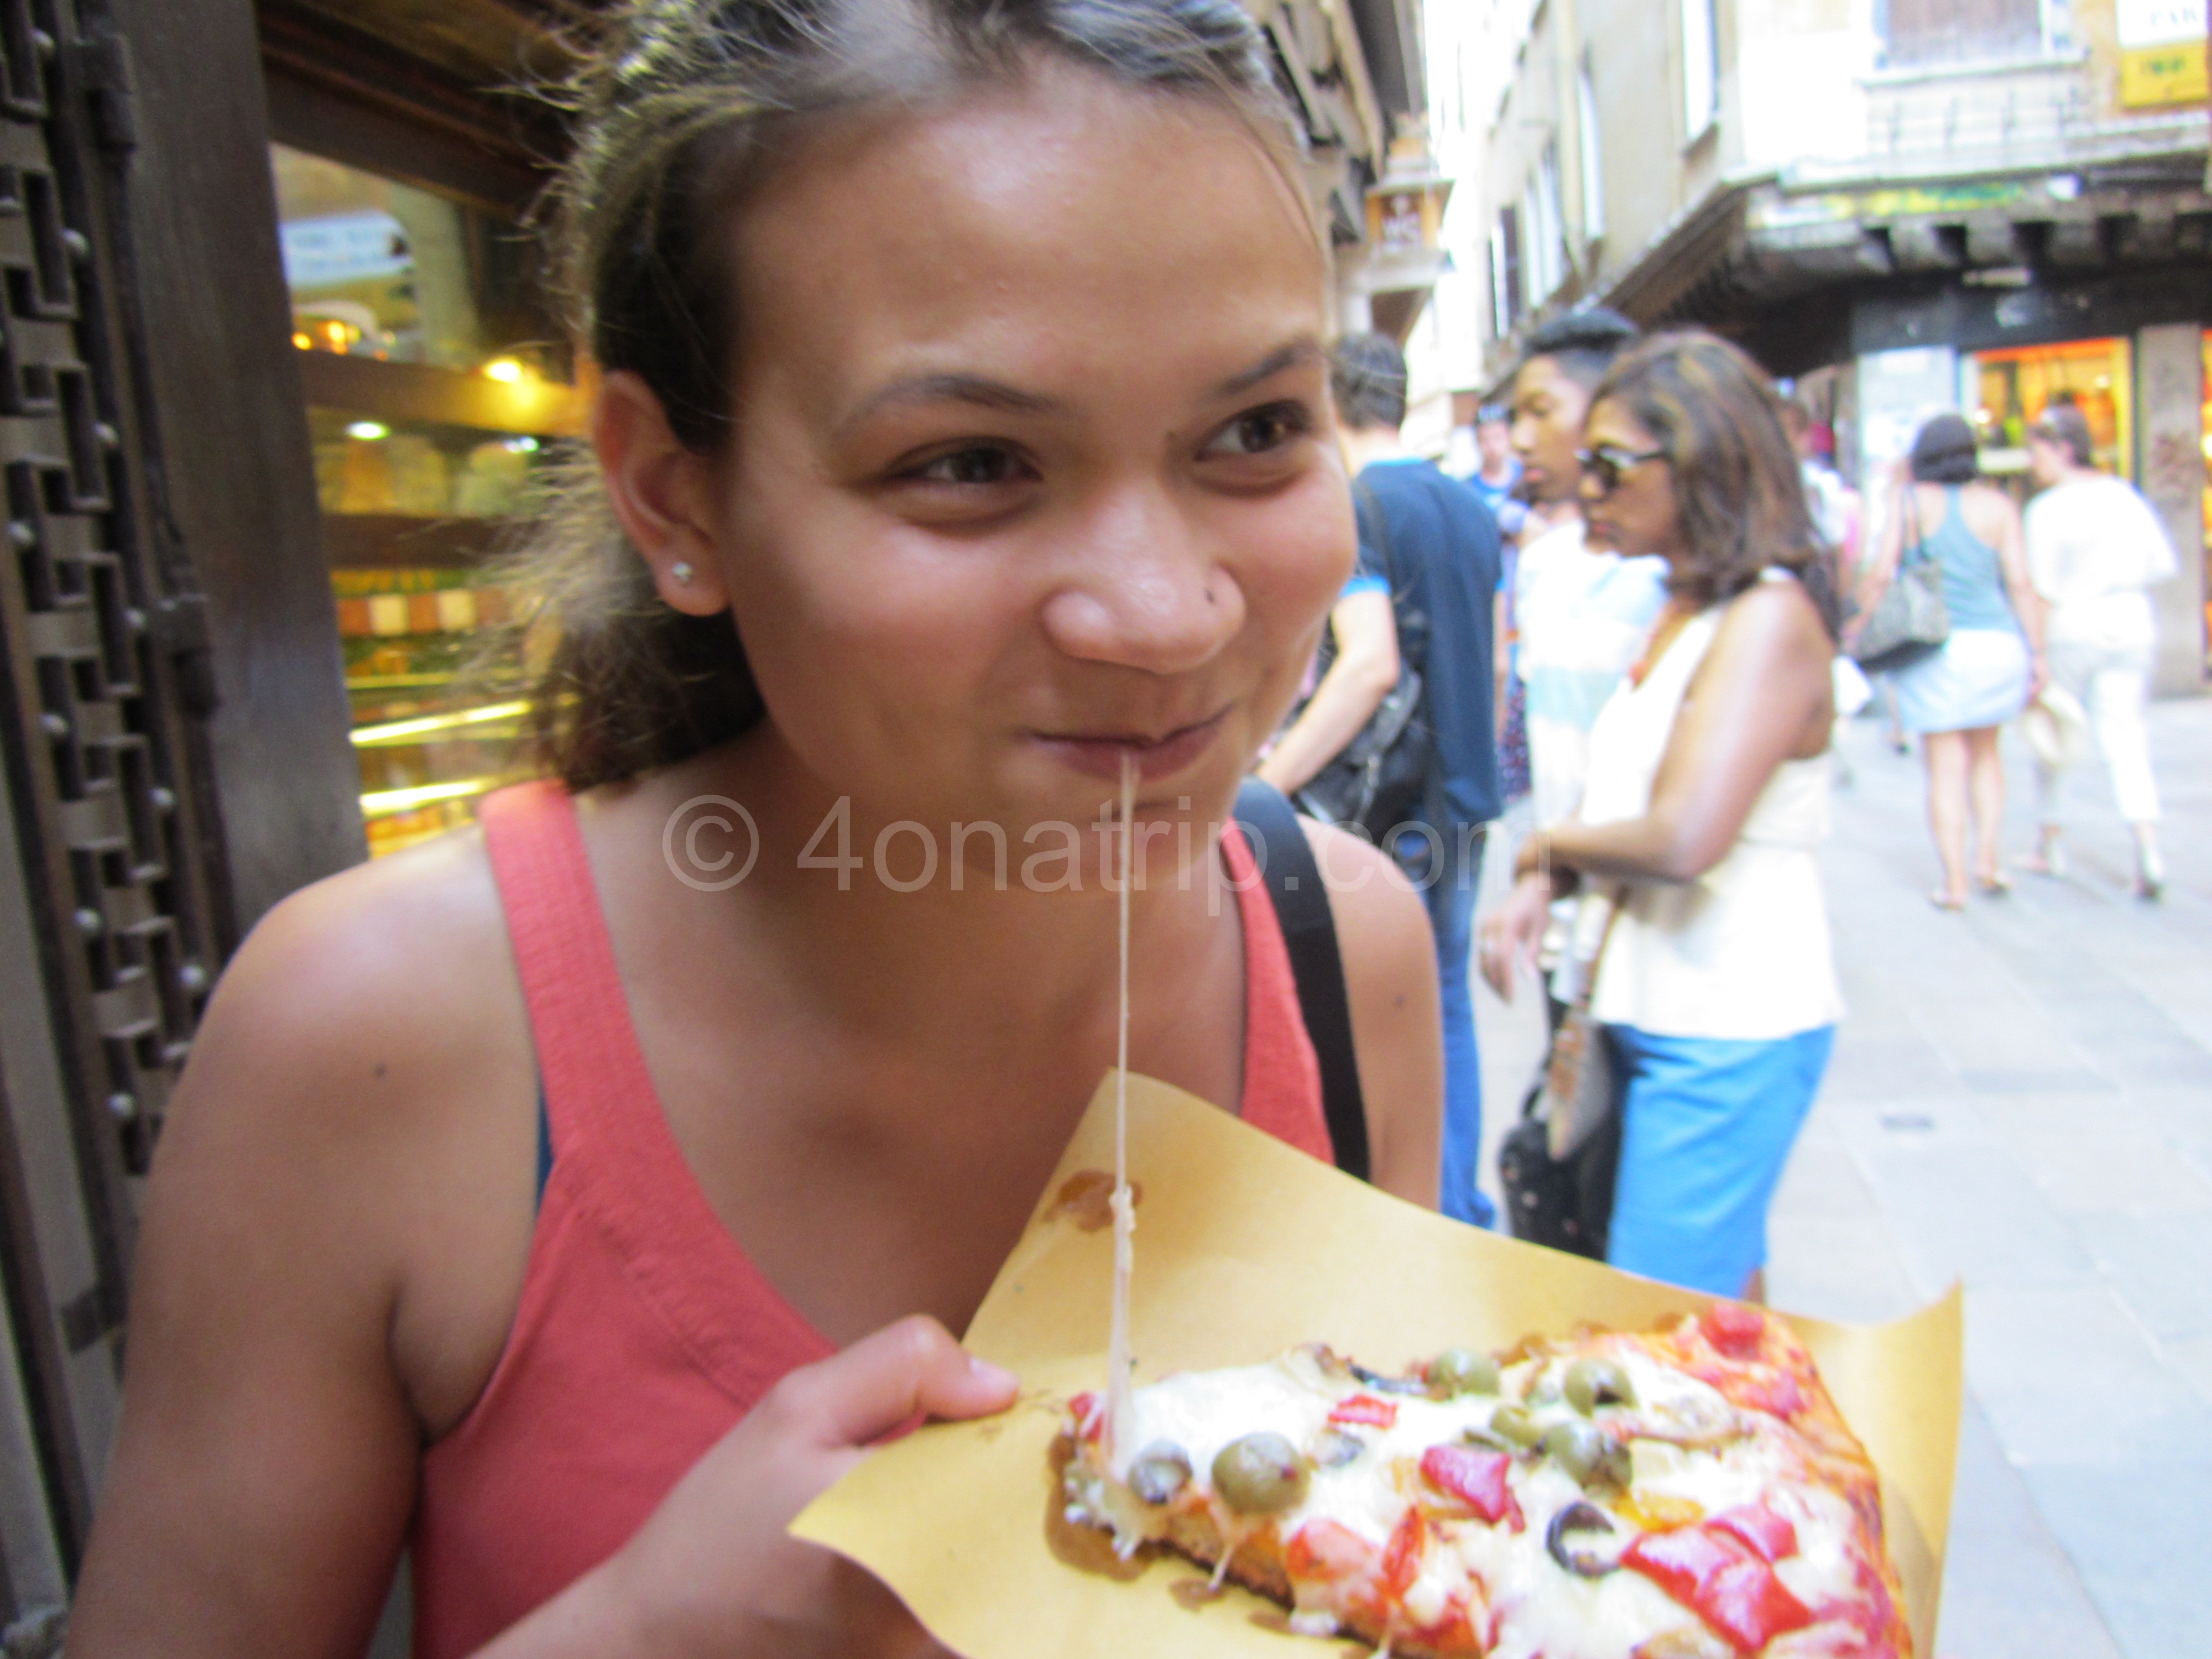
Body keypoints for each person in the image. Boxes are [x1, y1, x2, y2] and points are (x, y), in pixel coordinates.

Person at [67, 6, 1449, 1655]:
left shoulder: (1335, 943)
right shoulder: (384, 1037)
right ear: (674, 495)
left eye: (1251, 432)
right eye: (969, 462)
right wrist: (642, 1631)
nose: (1163, 613)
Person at [1479, 330, 1843, 1301]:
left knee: (1659, 1314)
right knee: (1714, 1295)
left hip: (1727, 1018)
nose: (1586, 486)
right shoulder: (1689, 608)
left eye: (1610, 465)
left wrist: (1543, 848)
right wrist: (1545, 882)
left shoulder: (1767, 620)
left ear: (1701, 457)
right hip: (1656, 1000)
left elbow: (1683, 836)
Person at [1259, 332, 1502, 1228]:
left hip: (1396, 812)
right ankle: (1459, 1204)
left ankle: (1424, 1214)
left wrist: (1268, 785)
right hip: (1466, 797)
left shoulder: (1358, 505)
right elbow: (1499, 657)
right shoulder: (1472, 508)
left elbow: (1368, 666)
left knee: (1396, 1014)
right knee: (1446, 1007)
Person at [1854, 414, 2046, 910]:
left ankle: (1955, 882)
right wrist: (2038, 651)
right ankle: (1989, 861)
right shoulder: (2000, 507)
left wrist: (1860, 622)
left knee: (1944, 768)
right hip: (1998, 644)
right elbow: (2021, 584)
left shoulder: (1911, 502)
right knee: (1987, 756)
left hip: (1936, 647)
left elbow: (1880, 572)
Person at [1507, 308, 1670, 858]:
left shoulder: (1671, 576)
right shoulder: (1541, 561)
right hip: (1566, 871)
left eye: (1540, 411)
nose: (1520, 439)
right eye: (1515, 416)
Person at [2020, 401, 2176, 899]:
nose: (2032, 462)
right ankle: (2147, 845)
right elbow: (2160, 562)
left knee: (2054, 731)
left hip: (2074, 623)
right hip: (2131, 620)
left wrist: (2036, 653)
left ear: (2063, 449)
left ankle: (2051, 839)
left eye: (2038, 450)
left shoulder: (2046, 510)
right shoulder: (2124, 496)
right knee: (2126, 736)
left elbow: (2040, 589)